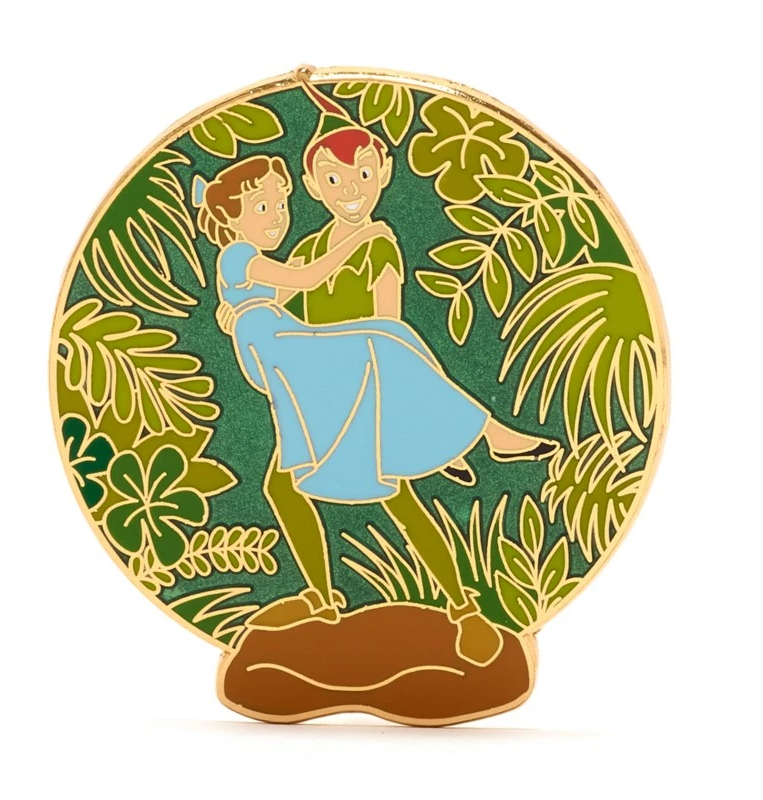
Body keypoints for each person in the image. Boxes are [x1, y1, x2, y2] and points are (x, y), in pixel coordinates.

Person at [196, 145, 553, 669]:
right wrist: (363, 237)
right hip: (302, 369)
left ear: (383, 172)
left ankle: (455, 606)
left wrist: (239, 309)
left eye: (280, 206)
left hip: (327, 375)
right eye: (263, 208)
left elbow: (358, 306)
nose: (277, 217)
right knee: (384, 343)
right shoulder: (272, 252)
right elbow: (301, 283)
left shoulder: (361, 249)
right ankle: (478, 435)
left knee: (327, 471)